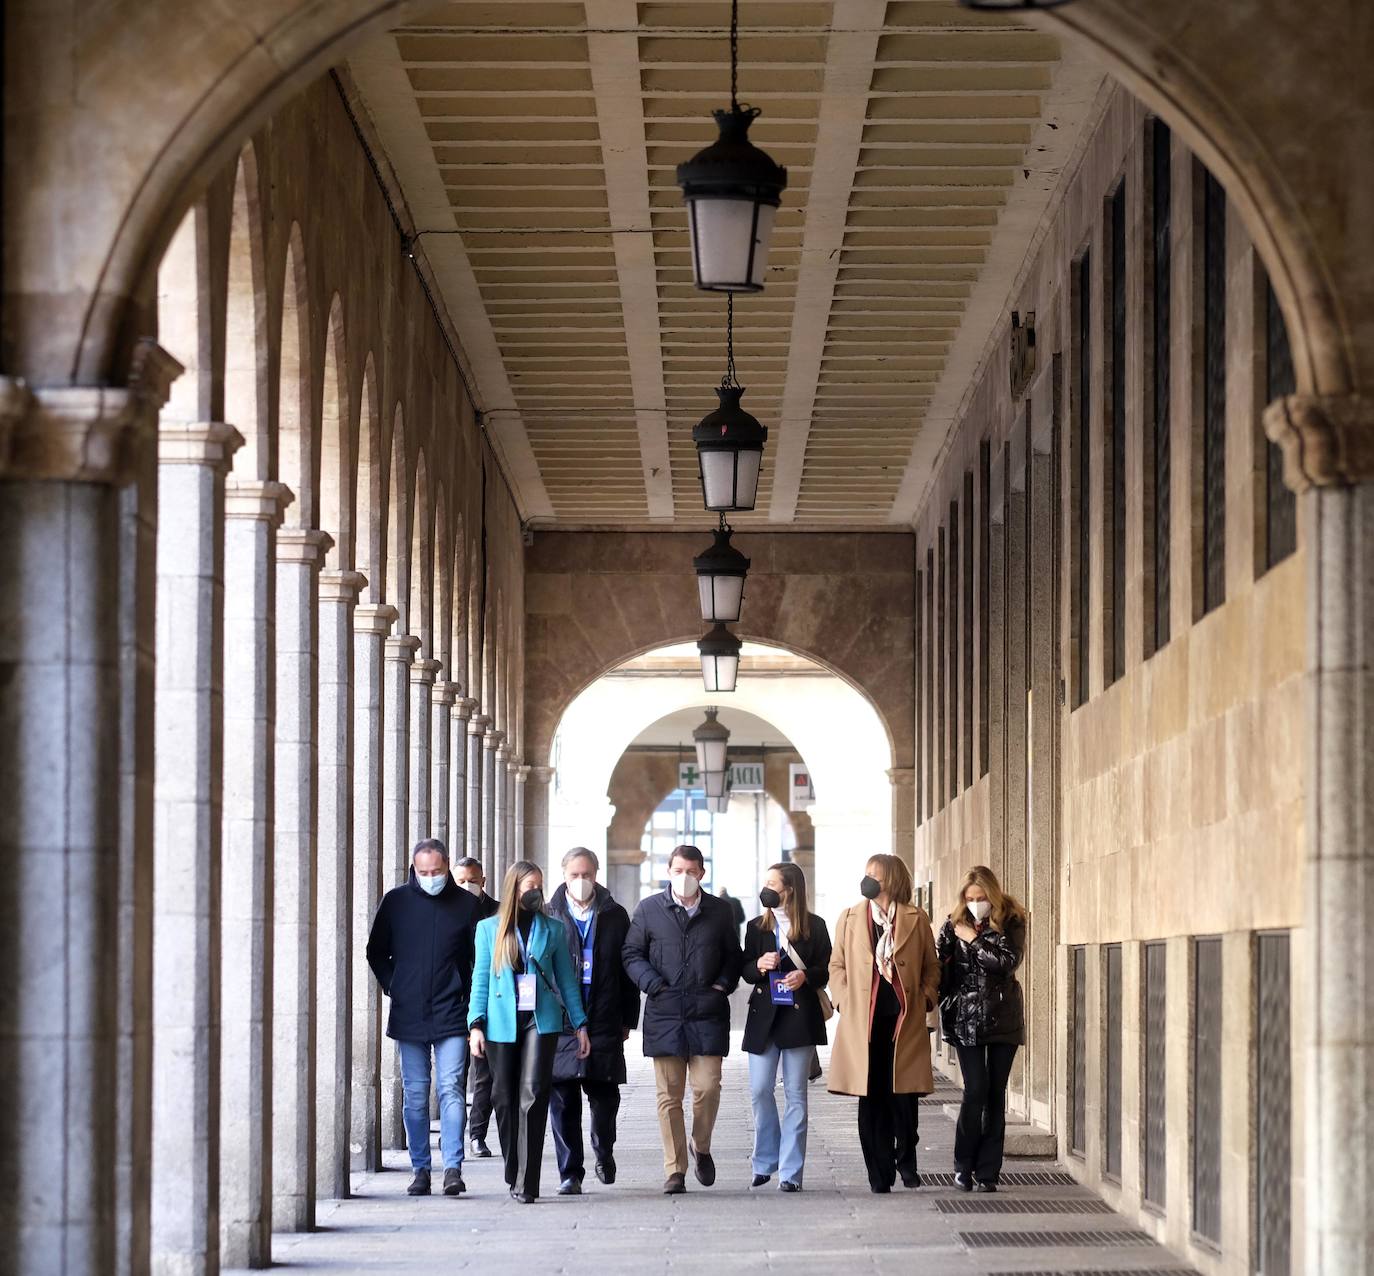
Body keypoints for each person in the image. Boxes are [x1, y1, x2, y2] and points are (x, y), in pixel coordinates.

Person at [623, 844, 743, 1194]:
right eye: (678, 870)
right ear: (668, 871)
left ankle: (700, 1145)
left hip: (707, 1011)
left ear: (702, 874)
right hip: (665, 1011)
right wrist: (652, 984)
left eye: (691, 871)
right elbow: (631, 953)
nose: (685, 877)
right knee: (668, 1096)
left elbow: (733, 955)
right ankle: (675, 1169)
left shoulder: (720, 912)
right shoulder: (648, 910)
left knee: (707, 1087)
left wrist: (722, 984)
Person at [468, 860, 590, 1203]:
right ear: (514, 889)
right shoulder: (488, 929)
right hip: (500, 1021)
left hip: (542, 1019)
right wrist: (475, 1023)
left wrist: (580, 1023)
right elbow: (480, 978)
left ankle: (527, 1181)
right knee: (503, 1098)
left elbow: (567, 979)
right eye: (529, 887)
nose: (536, 892)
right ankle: (513, 1167)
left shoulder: (552, 928)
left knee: (533, 1094)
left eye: (539, 885)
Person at [366, 838, 481, 1197]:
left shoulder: (466, 905)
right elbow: (376, 951)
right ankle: (420, 1169)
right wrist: (394, 986)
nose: (431, 877)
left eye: (437, 871)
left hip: (451, 1011)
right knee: (415, 1094)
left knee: (450, 1089)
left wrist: (471, 1006)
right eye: (424, 872)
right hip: (409, 1011)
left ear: (447, 866)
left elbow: (479, 958)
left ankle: (452, 1168)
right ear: (413, 869)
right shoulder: (396, 902)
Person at [828, 853, 939, 1194]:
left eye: (873, 875)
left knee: (903, 1098)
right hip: (864, 1021)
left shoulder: (916, 919)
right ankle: (878, 1174)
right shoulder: (849, 918)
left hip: (903, 1019)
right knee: (871, 1097)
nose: (867, 880)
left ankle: (906, 1161)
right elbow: (837, 966)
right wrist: (843, 999)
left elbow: (932, 967)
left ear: (890, 879)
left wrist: (925, 998)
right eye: (865, 874)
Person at [545, 848, 640, 1195]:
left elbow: (627, 970)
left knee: (604, 1095)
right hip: (561, 1020)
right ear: (564, 875)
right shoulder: (549, 913)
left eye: (586, 875)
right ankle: (570, 1172)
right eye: (574, 875)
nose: (581, 881)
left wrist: (629, 1017)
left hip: (604, 1016)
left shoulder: (615, 915)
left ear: (596, 874)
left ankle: (604, 1149)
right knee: (563, 1098)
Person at [740, 862, 831, 1192]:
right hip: (764, 1019)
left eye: (772, 883)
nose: (766, 888)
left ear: (789, 889)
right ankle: (765, 1160)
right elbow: (745, 970)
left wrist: (806, 976)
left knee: (796, 1096)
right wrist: (759, 965)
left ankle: (791, 1172)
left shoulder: (815, 927)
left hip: (799, 1019)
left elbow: (826, 969)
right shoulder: (756, 927)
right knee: (760, 1090)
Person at [936, 864, 1027, 1193]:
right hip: (966, 1019)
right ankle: (963, 1166)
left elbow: (1006, 963)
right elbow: (939, 966)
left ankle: (988, 1171)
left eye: (981, 897)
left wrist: (974, 939)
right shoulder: (952, 923)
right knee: (975, 1090)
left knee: (994, 1095)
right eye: (970, 897)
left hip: (1003, 1017)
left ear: (993, 894)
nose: (976, 902)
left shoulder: (1012, 919)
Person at [453, 856, 499, 1159]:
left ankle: (477, 1135)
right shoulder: (446, 910)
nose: (467, 885)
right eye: (460, 881)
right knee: (455, 1073)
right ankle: (453, 1136)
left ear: (483, 881)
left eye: (472, 879)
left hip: (487, 1002)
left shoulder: (498, 912)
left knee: (486, 1073)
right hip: (455, 1002)